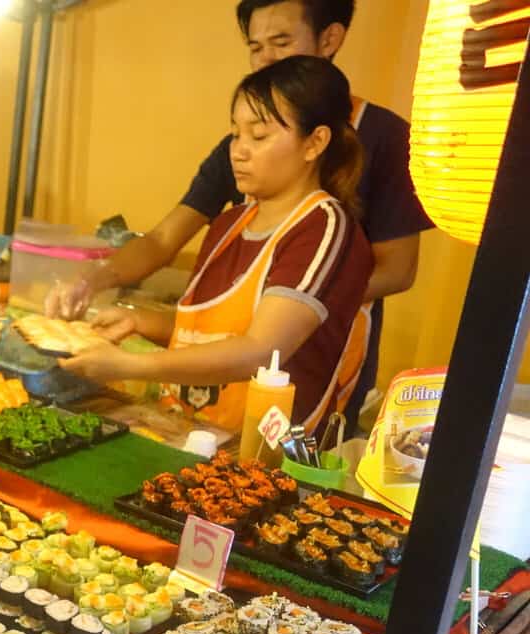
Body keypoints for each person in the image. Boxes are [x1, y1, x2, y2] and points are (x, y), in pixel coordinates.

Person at [47, 0, 431, 427]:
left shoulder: (330, 221)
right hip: (201, 412)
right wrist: (108, 294)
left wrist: (300, 305)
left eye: (281, 41)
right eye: (256, 46)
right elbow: (167, 249)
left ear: (330, 38)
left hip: (281, 408)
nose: (266, 58)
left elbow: (263, 344)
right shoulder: (235, 216)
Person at [60, 57, 372, 435]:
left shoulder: (323, 228)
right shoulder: (228, 224)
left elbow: (261, 350)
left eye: (259, 136)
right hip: (183, 429)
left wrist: (132, 366)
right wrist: (138, 322)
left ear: (315, 143)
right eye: (235, 135)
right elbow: (208, 329)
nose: (238, 150)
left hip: (255, 457)